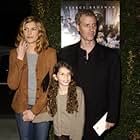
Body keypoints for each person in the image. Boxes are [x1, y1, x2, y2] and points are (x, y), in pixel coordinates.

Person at [58, 9, 121, 140]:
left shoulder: (111, 56)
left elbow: (115, 88)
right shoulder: (65, 54)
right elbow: (57, 83)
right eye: (87, 25)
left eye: (94, 25)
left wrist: (112, 116)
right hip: (72, 114)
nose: (91, 29)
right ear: (78, 27)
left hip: (98, 116)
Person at [7, 16, 57, 140]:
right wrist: (19, 58)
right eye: (26, 29)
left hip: (42, 107)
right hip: (21, 107)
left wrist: (34, 111)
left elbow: (51, 86)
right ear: (22, 32)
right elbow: (12, 85)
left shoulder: (50, 53)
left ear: (40, 32)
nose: (29, 33)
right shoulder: (14, 53)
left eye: (33, 29)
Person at [32, 61, 85, 140]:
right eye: (62, 74)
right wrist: (33, 118)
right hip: (58, 135)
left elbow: (80, 119)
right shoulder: (53, 93)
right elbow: (52, 114)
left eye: (68, 74)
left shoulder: (77, 92)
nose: (66, 77)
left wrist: (76, 138)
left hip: (72, 135)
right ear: (55, 77)